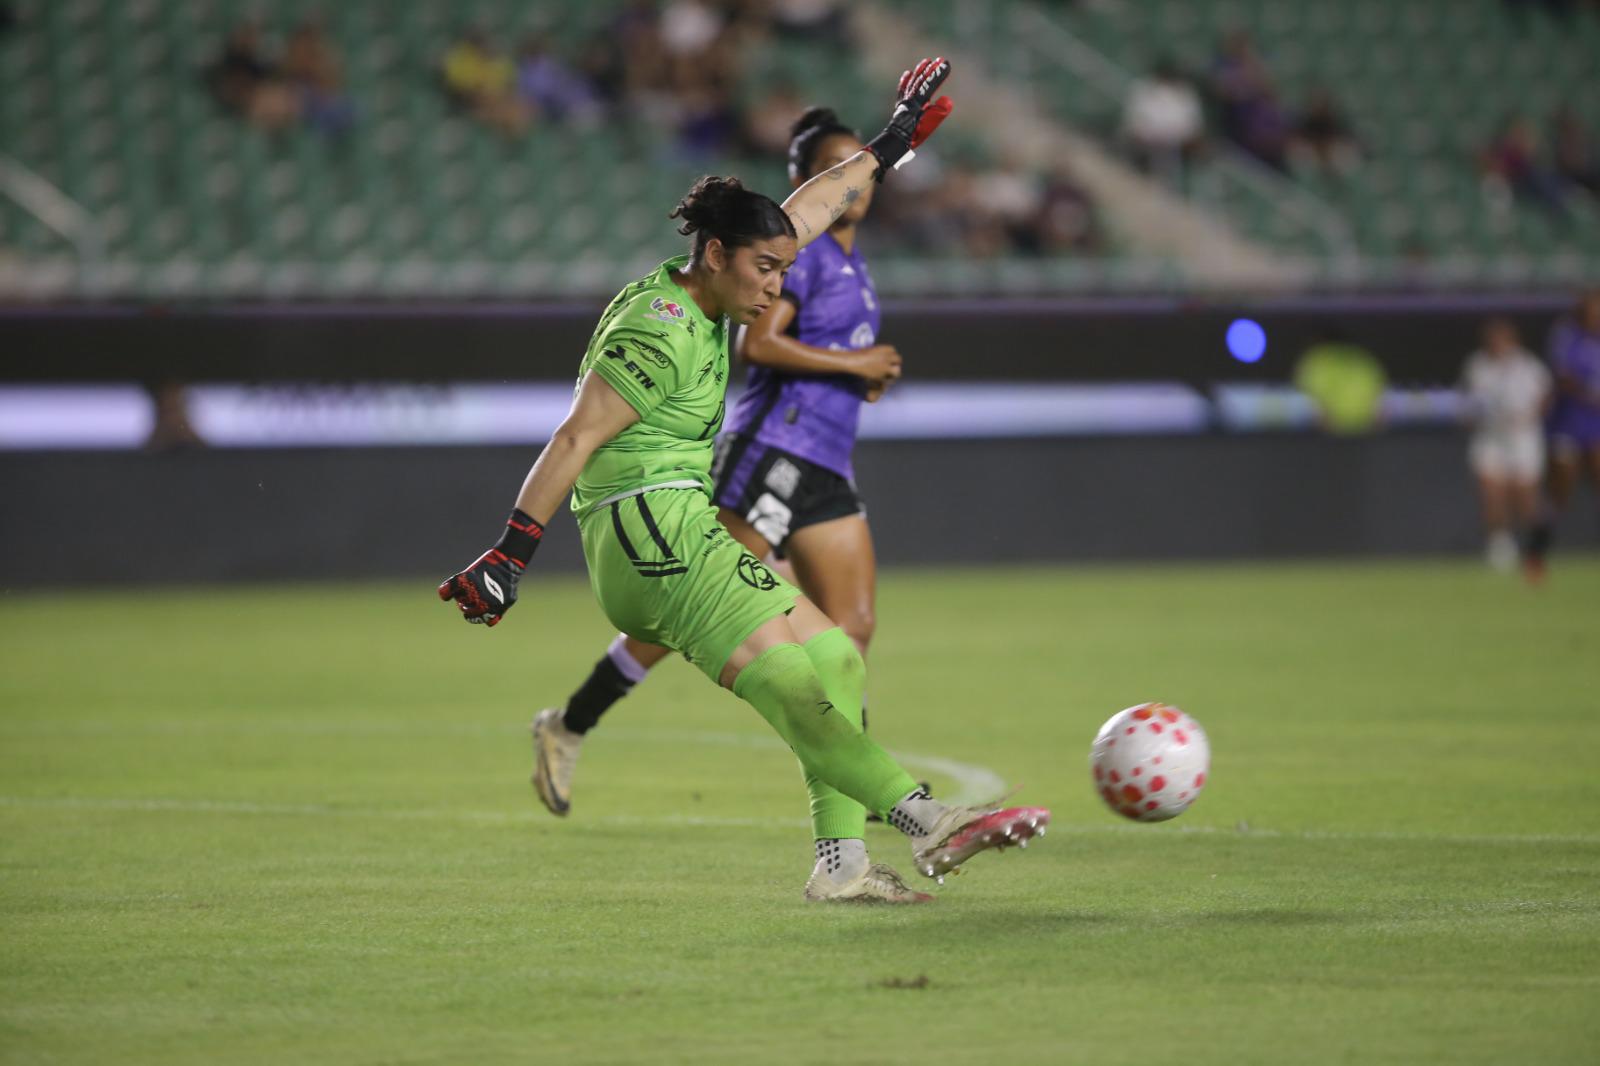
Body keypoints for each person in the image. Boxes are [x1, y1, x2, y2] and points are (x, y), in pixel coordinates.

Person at [439, 59, 1049, 903]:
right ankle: (925, 820)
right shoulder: (661, 331)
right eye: (764, 269)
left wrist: (893, 140)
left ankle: (839, 867)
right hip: (647, 535)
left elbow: (815, 203)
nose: (775, 285)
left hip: (678, 521)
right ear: (716, 255)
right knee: (793, 681)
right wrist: (509, 553)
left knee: (835, 655)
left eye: (781, 271)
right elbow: (576, 435)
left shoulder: (720, 287)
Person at [530, 104, 906, 842]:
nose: (855, 182)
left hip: (828, 459)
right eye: (840, 165)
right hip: (775, 452)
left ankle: (849, 801)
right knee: (695, 609)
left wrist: (856, 377)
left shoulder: (853, 261)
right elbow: (758, 345)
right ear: (808, 178)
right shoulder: (805, 255)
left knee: (850, 632)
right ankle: (571, 723)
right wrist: (854, 363)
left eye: (860, 165)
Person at [1460, 319, 1551, 571]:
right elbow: (1468, 401)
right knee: (1491, 492)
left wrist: (1527, 418)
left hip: (1522, 439)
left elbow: (1544, 397)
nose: (1496, 344)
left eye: (1502, 339)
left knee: (1526, 499)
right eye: (1492, 339)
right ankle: (1499, 546)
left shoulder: (1529, 366)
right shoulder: (1477, 366)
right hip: (1489, 438)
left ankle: (1534, 549)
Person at [1527, 290, 1600, 575]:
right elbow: (1563, 375)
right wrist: (1589, 393)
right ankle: (1536, 552)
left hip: (1595, 423)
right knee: (1560, 491)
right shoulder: (1567, 336)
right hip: (1567, 423)